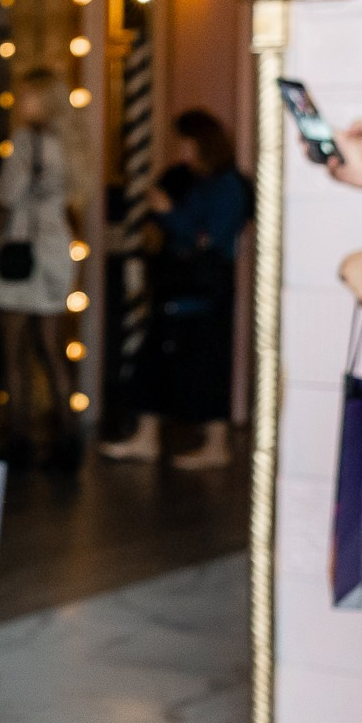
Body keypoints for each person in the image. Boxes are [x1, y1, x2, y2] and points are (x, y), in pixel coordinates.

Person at [101, 108, 251, 468]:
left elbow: (209, 238)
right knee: (154, 360)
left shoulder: (227, 185)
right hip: (179, 287)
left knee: (207, 367)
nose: (181, 150)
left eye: (186, 143)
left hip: (205, 291)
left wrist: (169, 213)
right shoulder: (196, 181)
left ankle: (216, 445)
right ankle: (148, 437)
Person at [0, 68, 84, 463]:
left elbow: (9, 195)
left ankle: (20, 438)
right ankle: (69, 438)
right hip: (56, 246)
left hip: (22, 248)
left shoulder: (25, 140)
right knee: (51, 348)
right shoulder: (69, 142)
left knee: (15, 347)